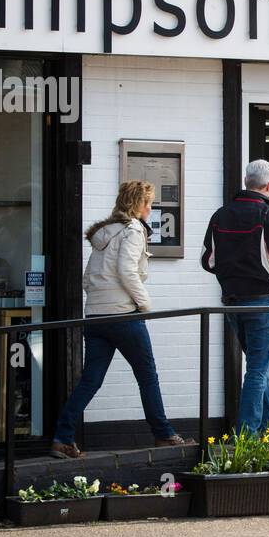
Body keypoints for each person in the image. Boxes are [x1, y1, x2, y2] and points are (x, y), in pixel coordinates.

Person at [52, 180, 192, 458]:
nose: (150, 209)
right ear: (137, 205)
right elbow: (127, 271)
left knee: (90, 380)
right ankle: (163, 434)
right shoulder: (133, 230)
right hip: (123, 316)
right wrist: (144, 305)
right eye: (148, 204)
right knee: (147, 375)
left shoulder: (104, 234)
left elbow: (88, 279)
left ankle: (62, 438)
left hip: (95, 317)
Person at [203, 159, 269, 434]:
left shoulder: (220, 214)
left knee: (260, 366)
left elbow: (209, 261)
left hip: (232, 303)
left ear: (247, 181)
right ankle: (247, 436)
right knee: (258, 370)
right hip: (261, 301)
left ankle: (268, 430)